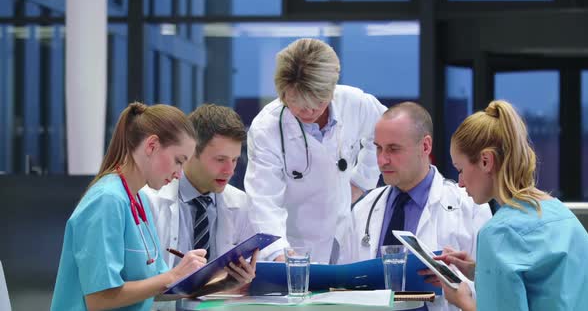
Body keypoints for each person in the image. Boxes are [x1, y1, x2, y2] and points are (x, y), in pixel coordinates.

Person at [50, 103, 256, 311]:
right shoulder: (107, 200)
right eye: (178, 161)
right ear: (151, 146)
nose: (179, 173)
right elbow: (98, 299)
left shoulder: (137, 202)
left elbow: (157, 289)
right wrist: (172, 275)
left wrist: (224, 283)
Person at [245, 38, 386, 264]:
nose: (309, 110)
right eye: (298, 104)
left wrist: (362, 180)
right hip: (293, 243)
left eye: (318, 102)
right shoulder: (266, 128)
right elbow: (263, 200)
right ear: (283, 95)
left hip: (344, 236)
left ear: (332, 89)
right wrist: (277, 252)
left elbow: (383, 133)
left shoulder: (355, 102)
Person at [439, 100, 588, 311]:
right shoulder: (562, 214)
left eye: (460, 169)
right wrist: (481, 271)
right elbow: (546, 282)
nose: (460, 182)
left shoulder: (499, 233)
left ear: (486, 161)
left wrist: (462, 301)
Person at [346, 102, 492, 310]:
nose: (382, 160)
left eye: (393, 149)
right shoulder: (363, 210)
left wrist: (455, 281)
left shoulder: (471, 207)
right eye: (378, 148)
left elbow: (493, 292)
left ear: (425, 146)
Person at [144, 104, 256, 310]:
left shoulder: (241, 204)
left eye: (234, 160)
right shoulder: (150, 200)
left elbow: (231, 290)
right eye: (220, 160)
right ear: (190, 152)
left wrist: (239, 282)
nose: (229, 170)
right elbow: (138, 290)